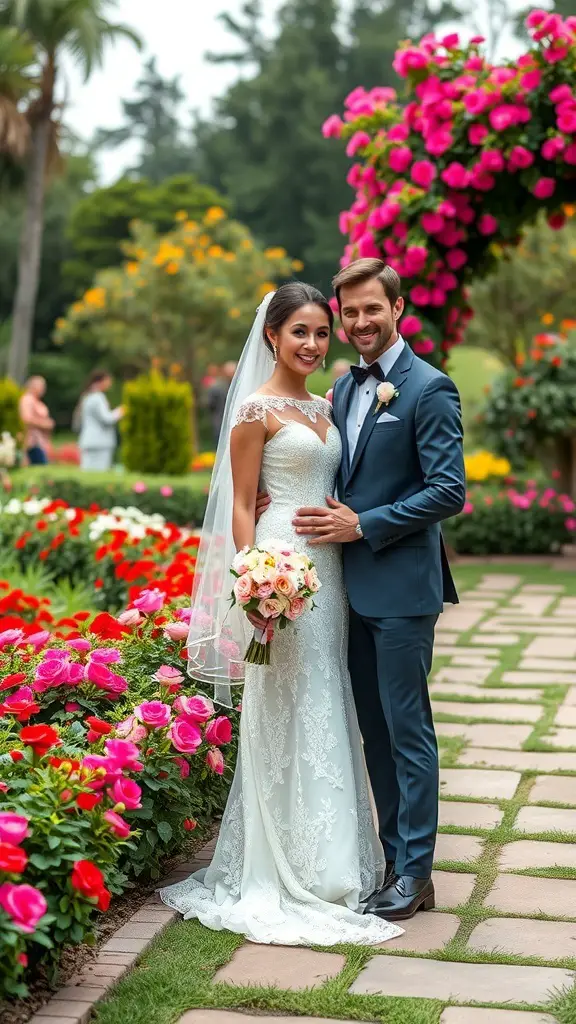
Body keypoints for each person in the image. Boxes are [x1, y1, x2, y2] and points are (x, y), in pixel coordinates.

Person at [159, 283, 402, 947]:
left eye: (322, 332)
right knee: (285, 704)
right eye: (300, 331)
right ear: (272, 335)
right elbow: (242, 503)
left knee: (326, 697)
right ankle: (281, 863)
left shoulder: (325, 405)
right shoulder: (254, 409)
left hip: (328, 572)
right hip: (279, 566)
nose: (314, 343)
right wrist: (252, 580)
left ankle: (332, 861)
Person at [289, 259, 465, 921]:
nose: (360, 322)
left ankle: (415, 872)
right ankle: (397, 862)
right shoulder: (341, 387)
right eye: (351, 313)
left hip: (402, 590)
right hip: (348, 591)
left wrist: (365, 524)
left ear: (397, 307)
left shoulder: (429, 388)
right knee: (374, 733)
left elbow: (448, 490)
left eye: (372, 309)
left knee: (407, 730)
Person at [76, 370, 124, 471]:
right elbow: (107, 419)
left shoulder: (88, 396)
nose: (110, 384)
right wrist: (121, 411)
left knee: (87, 472)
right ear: (101, 381)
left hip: (90, 440)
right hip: (100, 442)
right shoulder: (97, 397)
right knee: (99, 472)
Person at [19, 376, 54, 465]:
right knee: (40, 468)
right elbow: (26, 418)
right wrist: (45, 424)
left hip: (41, 442)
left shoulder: (37, 401)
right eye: (41, 386)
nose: (44, 389)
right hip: (33, 442)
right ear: (32, 386)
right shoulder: (28, 399)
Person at [205, 360, 237, 446]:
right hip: (222, 422)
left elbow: (210, 404)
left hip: (222, 422)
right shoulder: (216, 387)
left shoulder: (215, 386)